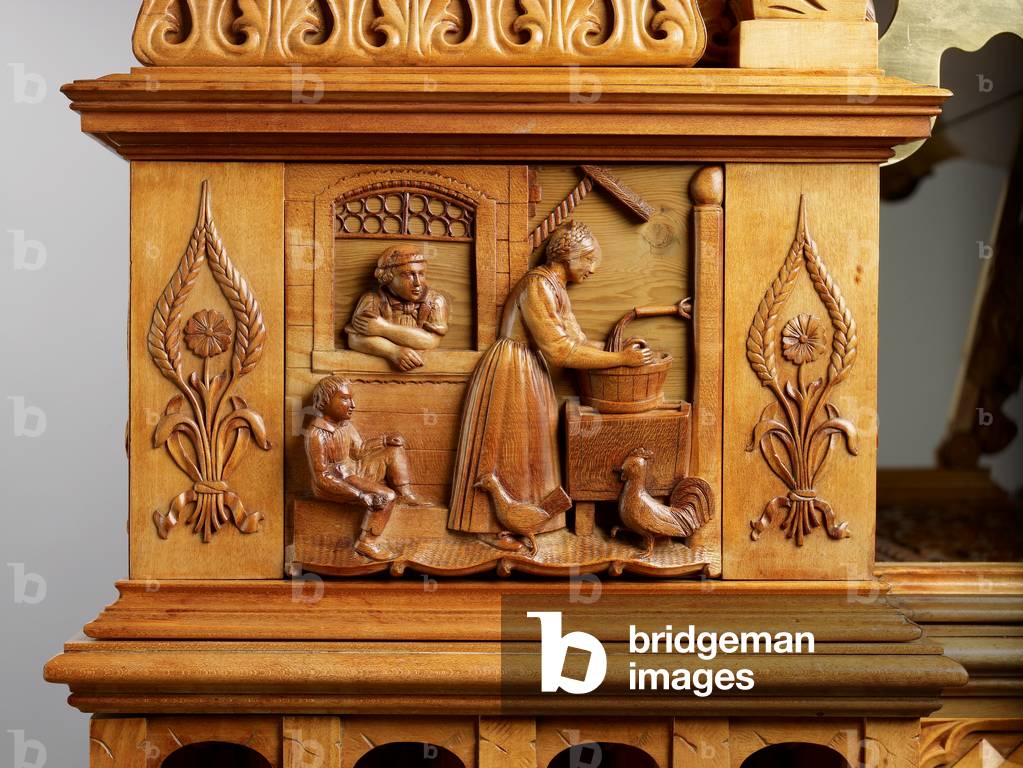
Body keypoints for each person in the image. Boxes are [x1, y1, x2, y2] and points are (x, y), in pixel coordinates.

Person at [447, 220, 653, 550]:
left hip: (530, 369)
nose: (592, 269)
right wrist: (620, 361)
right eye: (588, 260)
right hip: (511, 370)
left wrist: (618, 350)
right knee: (508, 446)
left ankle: (528, 522)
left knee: (530, 449)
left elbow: (577, 340)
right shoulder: (537, 286)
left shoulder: (555, 287)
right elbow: (559, 350)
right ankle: (488, 525)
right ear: (568, 255)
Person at [305, 376, 428, 561]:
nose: (352, 404)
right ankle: (366, 542)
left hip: (352, 469)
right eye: (345, 399)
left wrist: (384, 441)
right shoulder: (317, 433)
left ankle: (405, 493)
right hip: (336, 481)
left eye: (352, 398)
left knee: (393, 450)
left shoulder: (345, 425)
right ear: (325, 401)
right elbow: (322, 478)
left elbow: (359, 451)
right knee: (386, 496)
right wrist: (360, 495)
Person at [346, 244, 450, 371]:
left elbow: (430, 341)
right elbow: (355, 339)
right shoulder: (373, 300)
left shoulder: (434, 302)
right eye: (408, 275)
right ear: (388, 277)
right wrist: (393, 351)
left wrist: (383, 328)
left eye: (421, 274)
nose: (418, 283)